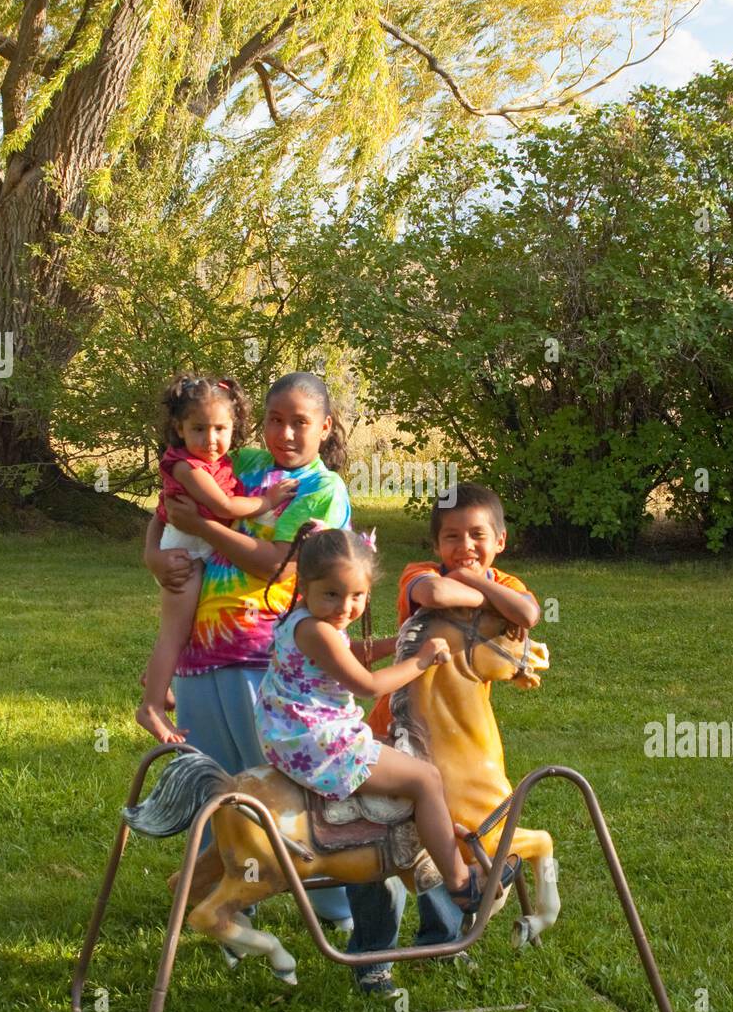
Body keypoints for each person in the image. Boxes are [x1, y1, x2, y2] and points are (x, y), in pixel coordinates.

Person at [143, 370, 355, 926]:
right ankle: (233, 899)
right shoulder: (247, 465)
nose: (285, 433)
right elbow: (169, 507)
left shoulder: (322, 489)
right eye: (275, 420)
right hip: (200, 652)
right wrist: (152, 555)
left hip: (268, 656)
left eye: (300, 423)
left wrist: (207, 530)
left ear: (325, 426)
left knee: (282, 782)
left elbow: (272, 561)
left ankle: (334, 901)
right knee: (220, 784)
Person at [257, 526, 522, 910]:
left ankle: (432, 840)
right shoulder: (321, 632)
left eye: (357, 596)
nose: (345, 607)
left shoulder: (303, 620)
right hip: (318, 742)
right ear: (305, 584)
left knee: (406, 762)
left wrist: (400, 640)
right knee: (426, 777)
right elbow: (366, 684)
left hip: (291, 733)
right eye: (332, 594)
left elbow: (351, 656)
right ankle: (462, 885)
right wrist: (420, 660)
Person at [346, 482, 540, 992]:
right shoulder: (420, 574)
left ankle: (441, 942)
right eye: (451, 537)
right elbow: (434, 596)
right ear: (436, 546)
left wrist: (490, 592)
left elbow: (529, 614)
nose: (465, 546)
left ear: (501, 538)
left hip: (453, 736)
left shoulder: (509, 580)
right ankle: (371, 957)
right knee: (375, 836)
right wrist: (489, 595)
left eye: (477, 535)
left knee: (450, 831)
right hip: (395, 730)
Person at [137, 374, 297, 745]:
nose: (211, 440)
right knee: (174, 634)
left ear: (234, 426)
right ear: (179, 428)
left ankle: (156, 678)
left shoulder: (221, 462)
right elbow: (223, 506)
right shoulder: (187, 467)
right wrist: (269, 501)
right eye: (199, 429)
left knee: (185, 625)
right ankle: (151, 706)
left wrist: (150, 552)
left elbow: (161, 512)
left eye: (221, 428)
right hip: (185, 557)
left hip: (196, 551)